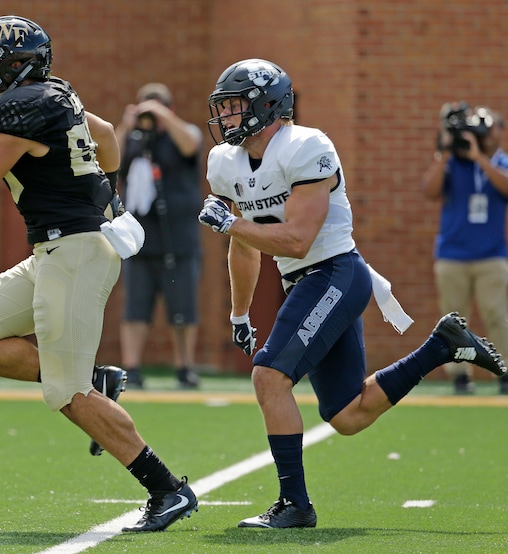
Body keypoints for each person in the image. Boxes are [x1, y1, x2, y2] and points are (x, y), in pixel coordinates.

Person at [198, 58, 506, 529]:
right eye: (226, 108)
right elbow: (244, 245)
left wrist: (231, 221)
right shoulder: (225, 162)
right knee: (347, 415)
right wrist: (239, 313)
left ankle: (295, 505)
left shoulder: (306, 146)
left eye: (237, 106)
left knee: (268, 378)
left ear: (268, 106)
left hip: (335, 273)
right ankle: (443, 345)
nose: (228, 118)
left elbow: (298, 239)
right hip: (303, 281)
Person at [0, 15, 197, 532]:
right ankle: (98, 378)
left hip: (74, 252)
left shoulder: (23, 106)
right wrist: (108, 189)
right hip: (53, 252)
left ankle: (168, 490)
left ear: (15, 65)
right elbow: (103, 135)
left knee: (67, 393)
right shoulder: (55, 94)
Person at [114, 83, 203, 389]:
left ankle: (185, 367)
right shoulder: (135, 139)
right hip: (140, 239)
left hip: (179, 238)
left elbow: (191, 145)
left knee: (183, 309)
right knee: (135, 308)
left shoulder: (181, 133)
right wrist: (127, 125)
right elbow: (109, 158)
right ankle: (132, 368)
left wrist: (163, 116)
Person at [421, 102, 508, 395]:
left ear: (498, 132)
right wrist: (446, 153)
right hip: (452, 255)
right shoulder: (452, 162)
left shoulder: (500, 162)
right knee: (454, 319)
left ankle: (505, 372)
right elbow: (429, 190)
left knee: (496, 316)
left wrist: (479, 158)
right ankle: (459, 375)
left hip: (492, 255)